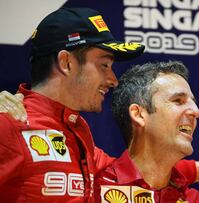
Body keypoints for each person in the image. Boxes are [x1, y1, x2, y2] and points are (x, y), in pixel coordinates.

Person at [0, 7, 145, 202]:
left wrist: (197, 169)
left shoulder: (77, 129)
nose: (113, 80)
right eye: (104, 65)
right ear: (66, 62)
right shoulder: (9, 123)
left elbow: (129, 174)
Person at [95, 60, 199, 202]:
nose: (196, 111)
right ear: (138, 114)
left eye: (193, 102)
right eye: (178, 101)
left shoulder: (193, 199)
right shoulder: (94, 189)